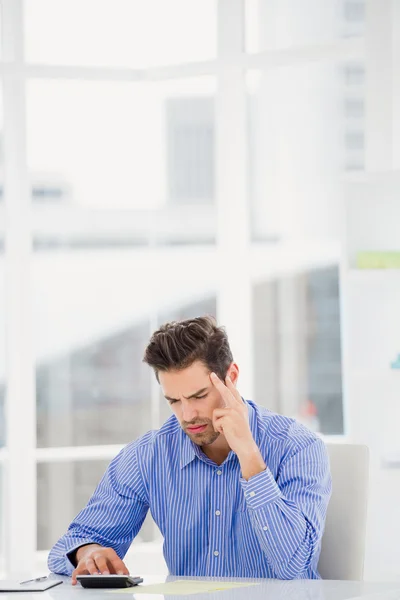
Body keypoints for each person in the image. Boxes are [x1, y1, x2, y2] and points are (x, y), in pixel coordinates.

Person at [48, 316, 332, 582]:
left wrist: (249, 456)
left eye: (199, 396)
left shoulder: (298, 447)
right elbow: (72, 544)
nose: (187, 415)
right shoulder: (150, 455)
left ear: (231, 376)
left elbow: (294, 565)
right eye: (173, 400)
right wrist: (88, 553)